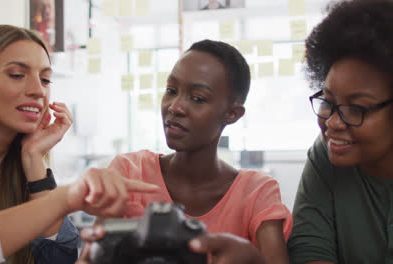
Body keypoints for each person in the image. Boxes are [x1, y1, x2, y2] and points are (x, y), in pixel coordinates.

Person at [0, 24, 159, 264]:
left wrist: (33, 159)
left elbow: (59, 259)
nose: (38, 91)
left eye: (45, 79)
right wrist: (63, 199)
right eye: (17, 75)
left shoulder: (20, 165)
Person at [79, 39, 292, 264]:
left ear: (232, 114)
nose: (175, 107)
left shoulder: (256, 193)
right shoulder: (129, 173)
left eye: (198, 98)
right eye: (171, 90)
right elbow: (95, 256)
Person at [287, 0, 393, 263]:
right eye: (328, 101)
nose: (333, 123)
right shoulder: (327, 153)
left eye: (356, 108)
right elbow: (309, 250)